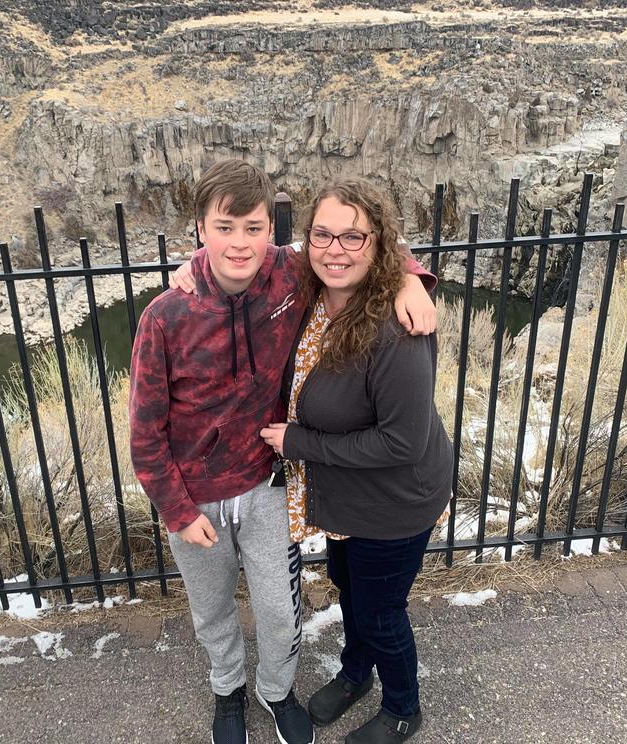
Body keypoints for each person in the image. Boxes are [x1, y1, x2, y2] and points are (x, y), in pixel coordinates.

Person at [129, 160, 437, 744]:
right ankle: (227, 691)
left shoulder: (289, 276)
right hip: (195, 500)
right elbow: (145, 434)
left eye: (252, 227)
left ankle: (275, 691)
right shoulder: (165, 317)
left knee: (279, 611)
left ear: (272, 230)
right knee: (212, 610)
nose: (239, 242)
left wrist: (409, 278)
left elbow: (357, 248)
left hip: (268, 485)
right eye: (224, 227)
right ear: (200, 229)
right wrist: (177, 509)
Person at [259, 180, 454, 743]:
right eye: (323, 234)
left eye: (352, 236)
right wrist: (189, 273)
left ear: (377, 243)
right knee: (350, 586)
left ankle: (402, 708)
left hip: (394, 502)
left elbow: (402, 444)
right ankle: (354, 674)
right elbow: (237, 254)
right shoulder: (313, 289)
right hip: (347, 496)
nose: (335, 248)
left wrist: (300, 444)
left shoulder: (398, 330)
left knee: (380, 611)